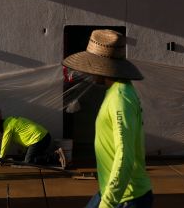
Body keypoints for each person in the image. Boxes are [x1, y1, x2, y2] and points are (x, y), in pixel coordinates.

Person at [62, 29, 153, 208]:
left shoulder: (121, 97)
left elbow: (124, 155)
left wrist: (108, 203)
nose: (90, 71)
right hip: (113, 192)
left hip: (127, 197)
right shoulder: (115, 91)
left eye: (92, 65)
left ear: (104, 66)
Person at [0, 109, 66, 168]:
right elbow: (25, 135)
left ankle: (56, 156)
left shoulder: (8, 127)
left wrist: (1, 159)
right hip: (44, 136)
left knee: (29, 161)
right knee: (25, 156)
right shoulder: (11, 120)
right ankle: (55, 155)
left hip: (39, 140)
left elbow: (4, 144)